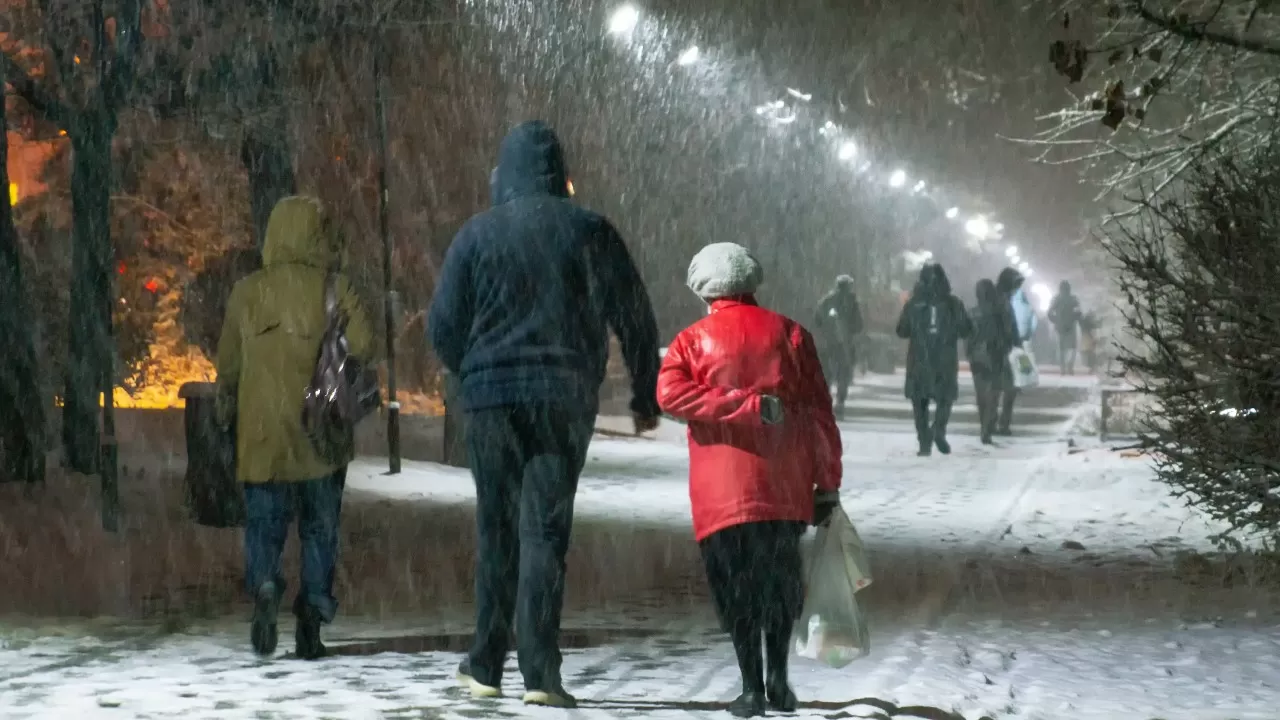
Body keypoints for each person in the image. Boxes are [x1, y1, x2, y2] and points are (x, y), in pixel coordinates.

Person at [427, 120, 662, 708]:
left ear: (502, 174)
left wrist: (473, 371)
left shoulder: (476, 236)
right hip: (561, 399)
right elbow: (633, 316)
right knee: (545, 534)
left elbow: (442, 328)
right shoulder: (590, 232)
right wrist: (644, 391)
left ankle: (484, 663)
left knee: (495, 529)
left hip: (490, 404)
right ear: (560, 173)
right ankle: (540, 674)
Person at [657, 243, 842, 718]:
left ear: (705, 290)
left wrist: (733, 405)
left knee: (736, 587)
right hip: (783, 486)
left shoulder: (690, 342)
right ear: (751, 282)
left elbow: (669, 394)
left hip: (721, 493)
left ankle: (750, 687)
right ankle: (779, 679)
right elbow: (821, 415)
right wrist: (827, 482)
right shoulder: (792, 334)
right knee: (778, 582)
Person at [216, 195, 375, 660]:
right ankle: (312, 614)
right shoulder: (334, 288)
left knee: (264, 524)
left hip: (262, 439)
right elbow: (365, 347)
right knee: (319, 529)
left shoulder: (248, 292)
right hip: (319, 434)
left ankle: (265, 584)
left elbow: (227, 365)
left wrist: (230, 403)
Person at [896, 264, 972, 456]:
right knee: (945, 398)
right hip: (944, 358)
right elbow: (966, 329)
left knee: (919, 402)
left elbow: (902, 330)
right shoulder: (954, 303)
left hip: (919, 359)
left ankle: (924, 442)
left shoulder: (913, 304)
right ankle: (939, 428)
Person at [967, 279, 1017, 445]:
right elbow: (1008, 335)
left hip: (976, 358)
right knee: (993, 393)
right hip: (995, 356)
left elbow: (967, 335)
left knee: (980, 394)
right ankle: (987, 427)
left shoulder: (972, 312)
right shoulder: (999, 313)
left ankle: (984, 425)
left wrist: (969, 353)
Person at [813, 275, 865, 418]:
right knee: (844, 375)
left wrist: (826, 332)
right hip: (845, 346)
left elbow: (817, 320)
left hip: (827, 345)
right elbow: (859, 325)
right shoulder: (852, 302)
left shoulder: (826, 301)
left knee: (827, 374)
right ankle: (840, 404)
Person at [995, 267, 1037, 435]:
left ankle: (992, 423)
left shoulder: (998, 299)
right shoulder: (1004, 302)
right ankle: (1002, 424)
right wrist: (1017, 343)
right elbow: (1009, 327)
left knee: (995, 390)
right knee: (1008, 389)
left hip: (996, 350)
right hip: (1003, 351)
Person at [1048, 280, 1082, 375]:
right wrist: (1076, 319)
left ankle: (1063, 368)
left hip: (1060, 328)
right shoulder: (1073, 299)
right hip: (1071, 327)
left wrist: (1056, 321)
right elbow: (1078, 312)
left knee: (1061, 349)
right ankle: (1070, 367)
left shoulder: (1056, 299)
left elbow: (1050, 313)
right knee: (1073, 348)